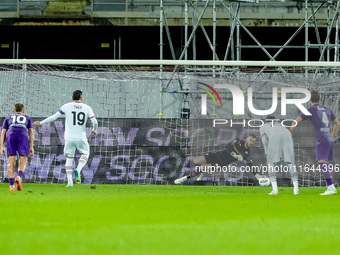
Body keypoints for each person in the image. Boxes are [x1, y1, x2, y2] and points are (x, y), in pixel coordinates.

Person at [34, 90, 98, 187]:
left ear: (72, 97)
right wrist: (94, 130)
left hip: (69, 137)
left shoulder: (66, 106)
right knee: (85, 153)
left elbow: (54, 117)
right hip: (80, 137)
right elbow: (95, 121)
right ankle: (78, 169)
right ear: (81, 98)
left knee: (69, 158)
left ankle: (70, 183)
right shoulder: (87, 108)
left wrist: (41, 122)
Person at [291, 90, 340, 195]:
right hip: (329, 138)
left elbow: (295, 122)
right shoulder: (327, 109)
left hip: (322, 139)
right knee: (325, 163)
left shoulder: (311, 110)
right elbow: (337, 123)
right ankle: (330, 186)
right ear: (319, 99)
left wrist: (291, 131)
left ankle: (331, 187)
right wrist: (333, 136)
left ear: (309, 100)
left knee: (321, 162)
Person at [174, 134, 256, 184]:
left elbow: (251, 165)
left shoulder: (247, 154)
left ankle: (183, 179)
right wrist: (234, 154)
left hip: (221, 162)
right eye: (250, 140)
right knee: (196, 161)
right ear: (247, 139)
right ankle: (205, 172)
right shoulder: (238, 141)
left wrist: (258, 176)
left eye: (253, 142)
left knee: (201, 168)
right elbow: (228, 146)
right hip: (216, 155)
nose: (251, 142)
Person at [260, 116, 299, 195]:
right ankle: (296, 190)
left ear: (265, 121)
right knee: (291, 163)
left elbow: (264, 142)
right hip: (287, 134)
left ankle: (275, 190)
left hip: (274, 137)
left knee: (271, 164)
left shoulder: (263, 127)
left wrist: (267, 155)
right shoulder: (281, 125)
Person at [0, 103, 34, 191]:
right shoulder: (27, 118)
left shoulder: (8, 118)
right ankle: (18, 177)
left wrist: (1, 147)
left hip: (10, 136)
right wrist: (31, 147)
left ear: (14, 110)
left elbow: (3, 132)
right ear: (23, 111)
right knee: (23, 160)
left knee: (10, 162)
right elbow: (31, 132)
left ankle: (11, 186)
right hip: (23, 136)